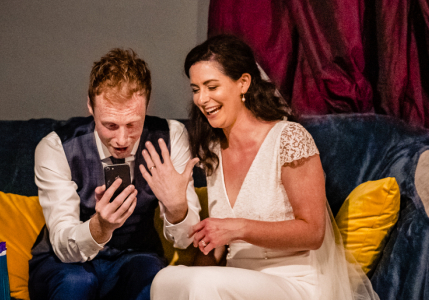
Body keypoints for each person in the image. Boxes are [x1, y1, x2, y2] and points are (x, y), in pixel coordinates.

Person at [150, 35, 378, 300]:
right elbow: (217, 250)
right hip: (236, 280)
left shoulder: (289, 138)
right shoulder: (213, 150)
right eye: (195, 89)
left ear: (243, 83)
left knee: (205, 284)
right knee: (165, 280)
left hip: (292, 281)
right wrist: (181, 214)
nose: (202, 99)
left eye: (211, 86)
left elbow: (313, 232)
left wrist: (238, 228)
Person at [29, 48, 201, 300]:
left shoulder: (170, 137)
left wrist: (177, 208)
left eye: (133, 124)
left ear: (146, 106)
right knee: (77, 282)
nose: (122, 140)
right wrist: (100, 227)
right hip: (65, 265)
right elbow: (64, 245)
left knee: (150, 276)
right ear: (90, 106)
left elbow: (185, 241)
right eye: (110, 125)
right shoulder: (57, 147)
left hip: (135, 255)